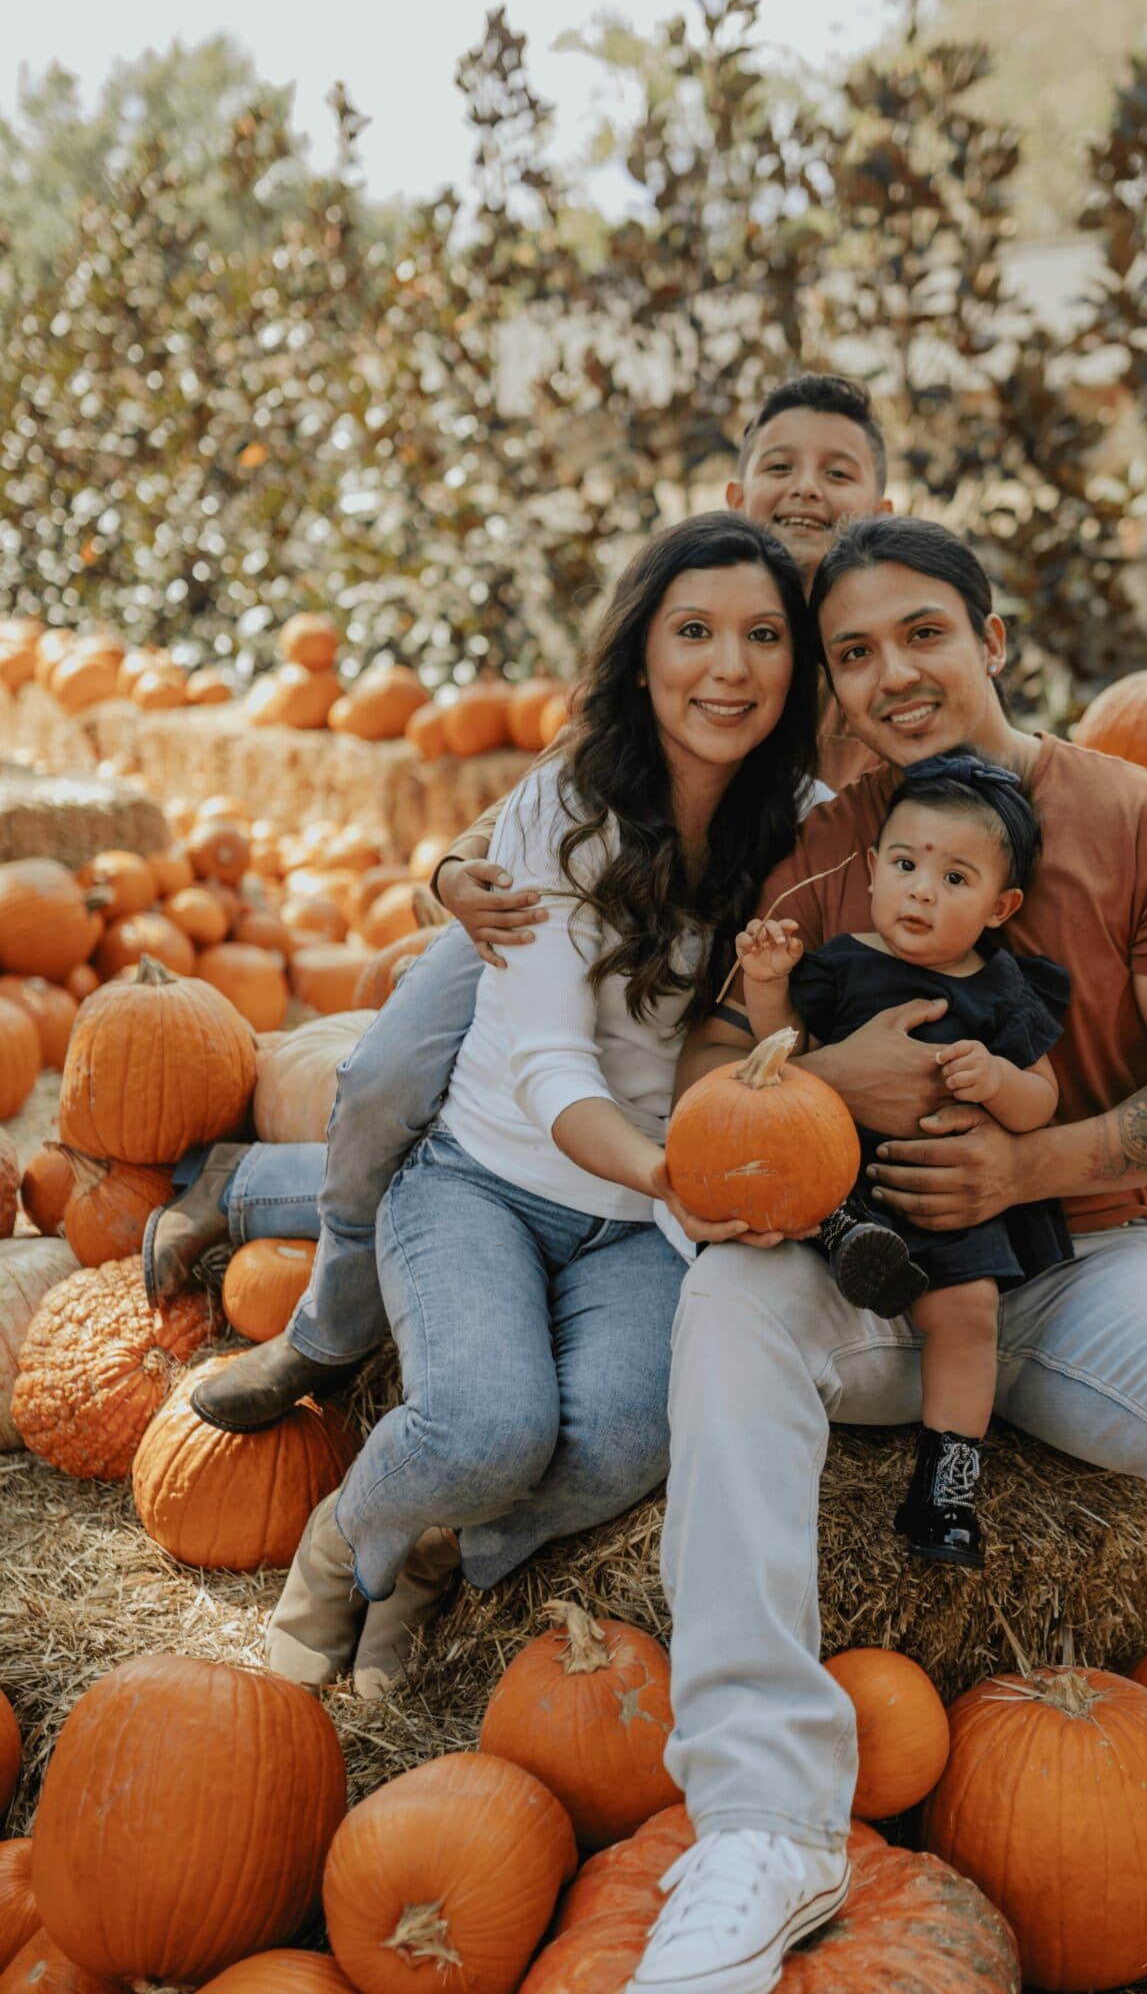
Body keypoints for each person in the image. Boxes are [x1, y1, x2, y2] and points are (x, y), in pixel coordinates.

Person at [624, 516, 1147, 1994]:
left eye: (923, 632)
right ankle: (767, 1826)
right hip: (865, 1264)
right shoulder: (830, 842)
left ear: (993, 639)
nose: (893, 672)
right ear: (833, 686)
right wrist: (811, 1079)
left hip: (1084, 1259)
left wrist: (1032, 1157)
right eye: (854, 652)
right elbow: (724, 1049)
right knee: (724, 1303)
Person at [155, 372, 895, 1437]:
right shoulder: (705, 591)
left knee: (596, 1115)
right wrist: (455, 869)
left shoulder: (878, 639)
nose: (806, 488)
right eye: (781, 465)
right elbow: (572, 768)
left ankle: (249, 1177)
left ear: (883, 499)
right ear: (737, 490)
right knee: (388, 1074)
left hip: (732, 932)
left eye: (839, 471)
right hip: (580, 897)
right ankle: (328, 1327)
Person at [261, 510, 823, 1695]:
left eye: (763, 635)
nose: (730, 666)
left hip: (641, 1223)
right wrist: (673, 1168)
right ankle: (343, 1537)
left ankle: (431, 1548)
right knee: (486, 1429)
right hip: (486, 1180)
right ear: (639, 654)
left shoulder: (804, 825)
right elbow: (549, 1065)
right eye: (695, 631)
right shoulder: (568, 803)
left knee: (623, 1438)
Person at [735, 750, 1070, 1567]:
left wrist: (995, 1078)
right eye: (908, 864)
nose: (923, 888)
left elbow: (1043, 1101)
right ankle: (847, 1237)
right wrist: (768, 981)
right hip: (846, 1176)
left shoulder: (1001, 991)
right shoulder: (844, 961)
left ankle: (946, 1487)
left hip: (945, 1198)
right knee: (799, 1185)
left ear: (1001, 906)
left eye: (957, 879)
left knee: (970, 1313)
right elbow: (783, 1052)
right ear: (874, 870)